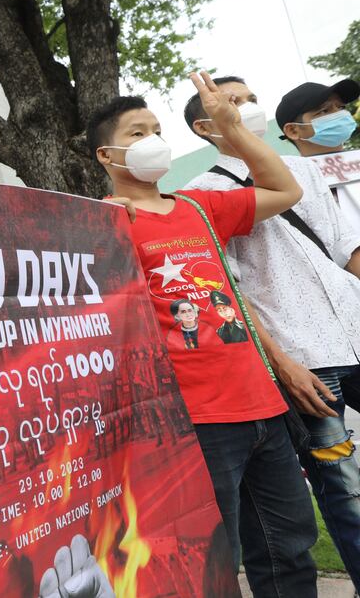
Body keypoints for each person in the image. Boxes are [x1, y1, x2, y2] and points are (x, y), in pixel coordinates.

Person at [87, 72, 318, 597]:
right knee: (213, 565)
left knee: (290, 550)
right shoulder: (101, 221)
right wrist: (91, 223)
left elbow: (285, 189)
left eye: (157, 130)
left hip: (264, 408)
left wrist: (234, 130)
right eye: (137, 135)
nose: (154, 143)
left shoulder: (197, 206)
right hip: (196, 420)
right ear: (106, 156)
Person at [186, 75, 360, 590]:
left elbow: (346, 253)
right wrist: (282, 363)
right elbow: (229, 292)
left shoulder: (301, 174)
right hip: (307, 359)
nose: (244, 109)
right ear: (204, 126)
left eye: (248, 99)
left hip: (353, 333)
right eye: (230, 103)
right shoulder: (205, 195)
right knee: (343, 488)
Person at [277, 78, 360, 230]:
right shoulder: (290, 185)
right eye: (324, 111)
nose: (340, 114)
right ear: (293, 130)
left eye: (341, 107)